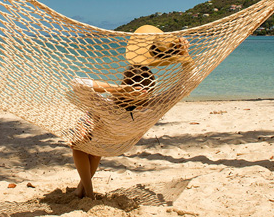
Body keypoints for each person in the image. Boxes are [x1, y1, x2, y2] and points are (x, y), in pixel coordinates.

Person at [68, 25, 193, 199]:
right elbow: (187, 84)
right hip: (110, 140)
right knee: (92, 142)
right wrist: (186, 58)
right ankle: (81, 189)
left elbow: (77, 83)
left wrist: (119, 90)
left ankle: (88, 192)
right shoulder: (155, 105)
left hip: (103, 134)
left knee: (80, 146)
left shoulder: (111, 106)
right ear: (152, 87)